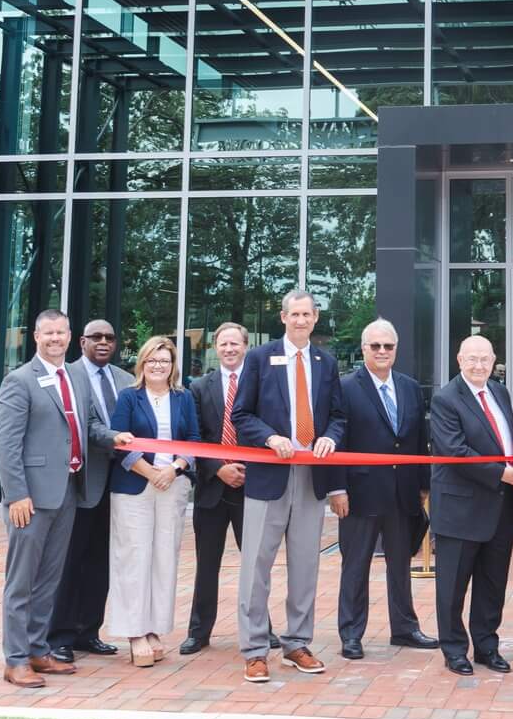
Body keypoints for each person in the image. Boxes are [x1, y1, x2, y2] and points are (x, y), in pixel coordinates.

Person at [0, 309, 130, 689]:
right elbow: (6, 446)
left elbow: (87, 425)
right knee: (21, 582)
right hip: (31, 499)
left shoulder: (74, 376)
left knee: (49, 580)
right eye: (48, 333)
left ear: (71, 337)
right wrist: (17, 494)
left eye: (61, 332)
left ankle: (39, 648)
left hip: (69, 491)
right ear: (35, 336)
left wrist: (112, 437)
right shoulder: (19, 381)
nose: (56, 338)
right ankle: (16, 658)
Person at [233, 288, 347, 683]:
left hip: (310, 476)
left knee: (305, 565)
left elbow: (338, 415)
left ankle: (297, 643)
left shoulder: (326, 362)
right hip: (269, 475)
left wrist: (330, 436)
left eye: (307, 314)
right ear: (282, 318)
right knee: (256, 568)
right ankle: (254, 649)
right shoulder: (260, 359)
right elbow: (241, 414)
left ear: (316, 318)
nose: (301, 320)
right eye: (294, 314)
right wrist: (269, 437)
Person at [428, 335, 513, 676]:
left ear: (493, 361)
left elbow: (508, 433)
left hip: (499, 508)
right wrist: (504, 474)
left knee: (492, 584)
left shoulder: (499, 391)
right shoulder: (446, 398)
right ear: (459, 360)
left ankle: (487, 647)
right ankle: (454, 650)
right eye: (471, 359)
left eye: (484, 359)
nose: (478, 365)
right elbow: (455, 452)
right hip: (460, 509)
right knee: (452, 587)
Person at [333, 318, 438, 659]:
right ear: (364, 349)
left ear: (396, 349)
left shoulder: (409, 387)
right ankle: (351, 634)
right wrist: (336, 489)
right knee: (355, 566)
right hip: (359, 494)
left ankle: (405, 628)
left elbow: (419, 439)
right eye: (375, 345)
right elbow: (335, 440)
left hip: (403, 492)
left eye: (388, 346)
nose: (381, 351)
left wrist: (423, 485)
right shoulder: (345, 387)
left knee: (400, 565)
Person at [96, 334, 199, 667]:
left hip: (173, 486)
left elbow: (194, 440)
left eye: (165, 361)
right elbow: (119, 440)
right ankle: (134, 632)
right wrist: (150, 471)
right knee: (133, 558)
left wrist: (176, 468)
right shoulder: (129, 397)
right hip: (134, 486)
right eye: (153, 360)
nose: (158, 366)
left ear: (173, 366)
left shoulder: (184, 398)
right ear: (142, 363)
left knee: (163, 558)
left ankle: (155, 628)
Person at [181, 322, 276, 656]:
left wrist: (248, 469)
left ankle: (261, 627)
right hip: (212, 487)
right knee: (207, 564)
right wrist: (219, 469)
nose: (230, 349)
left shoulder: (261, 384)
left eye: (235, 343)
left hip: (252, 486)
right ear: (214, 347)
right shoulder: (198, 387)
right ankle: (199, 631)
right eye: (223, 344)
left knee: (255, 564)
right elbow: (195, 437)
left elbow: (265, 429)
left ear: (246, 347)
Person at [48, 318, 133, 662]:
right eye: (95, 337)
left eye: (109, 338)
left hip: (122, 482)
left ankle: (88, 632)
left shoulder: (127, 379)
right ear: (81, 341)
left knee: (101, 562)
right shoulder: (67, 376)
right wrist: (114, 438)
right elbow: (86, 425)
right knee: (71, 561)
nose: (103, 342)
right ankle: (60, 636)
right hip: (81, 483)